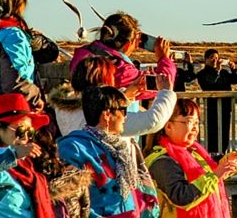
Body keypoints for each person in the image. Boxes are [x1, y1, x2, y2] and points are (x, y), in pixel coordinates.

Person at [58, 86, 160, 218]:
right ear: (107, 115)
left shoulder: (120, 148)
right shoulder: (73, 148)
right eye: (123, 111)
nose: (125, 117)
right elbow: (68, 202)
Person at [145, 99, 237, 218]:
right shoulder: (162, 161)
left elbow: (212, 169)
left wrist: (229, 162)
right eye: (189, 121)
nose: (195, 128)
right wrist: (216, 175)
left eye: (197, 122)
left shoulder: (195, 152)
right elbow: (181, 197)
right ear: (168, 126)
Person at [50, 55, 177, 138]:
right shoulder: (103, 116)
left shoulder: (66, 107)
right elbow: (153, 121)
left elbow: (96, 102)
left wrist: (125, 95)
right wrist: (166, 93)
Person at [70, 12, 176, 93]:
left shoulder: (82, 55)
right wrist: (164, 58)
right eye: (136, 42)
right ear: (128, 43)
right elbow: (163, 83)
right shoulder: (119, 69)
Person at [196, 49, 237, 156]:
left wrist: (234, 70)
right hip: (212, 107)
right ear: (206, 59)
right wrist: (216, 72)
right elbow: (209, 85)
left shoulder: (224, 72)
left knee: (225, 131)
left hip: (226, 106)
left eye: (216, 58)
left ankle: (223, 153)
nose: (215, 60)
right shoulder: (202, 74)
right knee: (213, 132)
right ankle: (213, 155)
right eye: (212, 57)